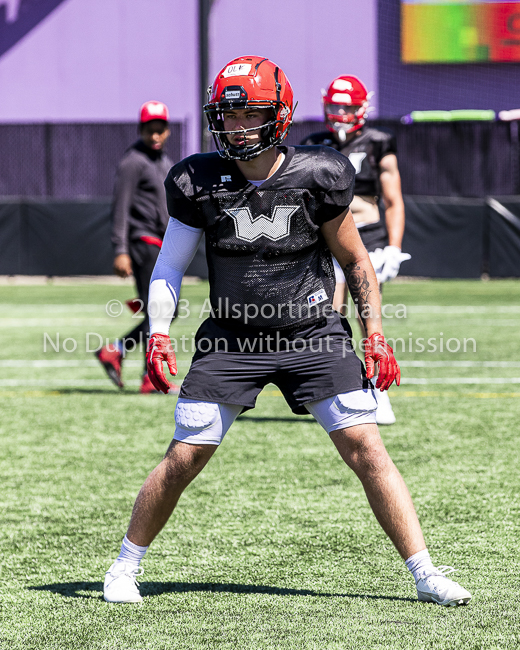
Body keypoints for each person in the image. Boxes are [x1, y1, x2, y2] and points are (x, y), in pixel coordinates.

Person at [102, 56, 471, 607]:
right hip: (231, 337)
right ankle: (124, 566)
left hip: (312, 332)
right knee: (186, 455)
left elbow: (357, 265)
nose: (235, 126)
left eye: (249, 113)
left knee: (367, 447)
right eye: (227, 116)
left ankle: (424, 573)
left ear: (279, 116)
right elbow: (170, 267)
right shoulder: (198, 179)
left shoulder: (318, 174)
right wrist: (156, 333)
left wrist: (373, 332)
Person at [301, 75, 410, 425]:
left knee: (368, 317)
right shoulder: (315, 144)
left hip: (370, 240)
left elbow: (393, 200)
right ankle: (338, 389)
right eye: (335, 105)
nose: (341, 112)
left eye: (348, 105)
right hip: (328, 240)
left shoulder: (377, 141)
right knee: (331, 316)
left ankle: (379, 389)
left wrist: (394, 247)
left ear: (363, 106)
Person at [95, 100, 180, 394]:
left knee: (160, 309)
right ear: (141, 129)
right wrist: (120, 249)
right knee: (161, 310)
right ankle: (142, 371)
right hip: (142, 242)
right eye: (149, 130)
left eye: (160, 130)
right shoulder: (133, 161)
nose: (155, 136)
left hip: (160, 243)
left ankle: (122, 355)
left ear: (167, 131)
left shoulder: (163, 162)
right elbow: (120, 207)